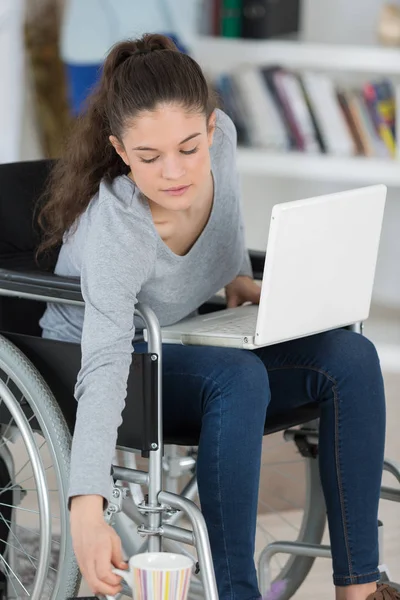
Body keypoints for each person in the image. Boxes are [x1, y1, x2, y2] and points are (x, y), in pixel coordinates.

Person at [37, 33, 398, 600]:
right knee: (237, 376)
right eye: (150, 157)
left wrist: (234, 277)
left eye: (189, 147)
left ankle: (360, 587)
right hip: (91, 359)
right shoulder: (118, 227)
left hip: (180, 332)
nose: (175, 172)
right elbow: (103, 363)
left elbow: (224, 218)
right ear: (121, 149)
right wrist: (87, 505)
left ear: (210, 128)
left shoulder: (224, 140)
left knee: (351, 356)